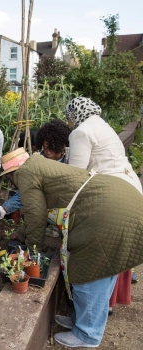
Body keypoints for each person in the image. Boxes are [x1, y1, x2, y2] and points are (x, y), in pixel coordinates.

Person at [0, 148, 143, 348]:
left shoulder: (24, 173)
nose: (11, 182)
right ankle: (81, 321)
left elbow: (35, 216)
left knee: (88, 274)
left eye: (8, 178)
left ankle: (87, 334)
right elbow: (42, 209)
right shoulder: (39, 165)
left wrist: (32, 254)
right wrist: (21, 234)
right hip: (121, 200)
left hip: (108, 215)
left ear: (11, 173)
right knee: (105, 273)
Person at [64, 96, 142, 314]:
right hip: (131, 188)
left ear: (74, 115)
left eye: (68, 118)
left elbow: (76, 176)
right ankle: (107, 304)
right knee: (117, 250)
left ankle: (97, 310)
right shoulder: (102, 124)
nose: (69, 123)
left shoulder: (80, 132)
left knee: (100, 250)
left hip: (111, 194)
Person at [0, 120, 71, 231]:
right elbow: (29, 189)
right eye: (45, 148)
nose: (48, 152)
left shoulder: (72, 161)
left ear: (62, 146)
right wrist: (5, 208)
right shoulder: (41, 161)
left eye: (52, 149)